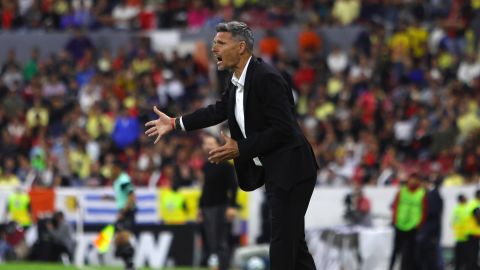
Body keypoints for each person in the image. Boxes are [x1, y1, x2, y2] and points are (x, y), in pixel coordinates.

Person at [145, 21, 319, 270]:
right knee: (294, 244)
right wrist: (175, 123)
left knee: (282, 240)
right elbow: (218, 111)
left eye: (220, 43)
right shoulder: (238, 80)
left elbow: (284, 130)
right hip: (278, 171)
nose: (213, 47)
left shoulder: (267, 78)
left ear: (240, 47)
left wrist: (241, 148)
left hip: (293, 169)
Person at [198, 133, 238, 270]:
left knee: (221, 241)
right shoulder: (205, 166)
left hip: (221, 206)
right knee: (211, 241)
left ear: (218, 145)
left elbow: (233, 187)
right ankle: (214, 266)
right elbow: (204, 188)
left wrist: (231, 206)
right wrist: (200, 207)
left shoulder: (226, 166)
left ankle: (224, 266)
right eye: (206, 143)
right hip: (207, 207)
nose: (208, 146)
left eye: (211, 143)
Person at [389, 171, 427, 270]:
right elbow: (395, 206)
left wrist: (419, 224)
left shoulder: (421, 193)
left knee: (410, 251)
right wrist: (394, 220)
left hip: (413, 227)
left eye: (415, 179)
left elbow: (424, 210)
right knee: (395, 250)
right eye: (411, 178)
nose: (413, 181)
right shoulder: (401, 192)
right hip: (400, 225)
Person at [111, 159, 137, 270]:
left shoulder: (123, 179)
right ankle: (128, 263)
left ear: (118, 169)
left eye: (113, 168)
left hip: (126, 212)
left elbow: (131, 197)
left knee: (123, 238)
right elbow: (122, 197)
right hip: (123, 211)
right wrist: (108, 198)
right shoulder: (118, 181)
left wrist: (123, 212)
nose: (111, 171)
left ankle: (130, 263)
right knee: (119, 239)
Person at [418, 177, 444, 270]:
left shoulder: (432, 195)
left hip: (430, 232)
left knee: (432, 256)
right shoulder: (431, 194)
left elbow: (431, 213)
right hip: (430, 231)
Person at [452, 194, 469, 270]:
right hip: (466, 237)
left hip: (458, 237)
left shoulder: (456, 209)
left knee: (458, 259)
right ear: (463, 199)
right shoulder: (466, 209)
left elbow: (453, 223)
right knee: (466, 259)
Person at [465, 190, 480, 270]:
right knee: (473, 253)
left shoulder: (471, 203)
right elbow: (477, 215)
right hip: (474, 232)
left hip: (470, 232)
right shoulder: (475, 204)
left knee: (471, 253)